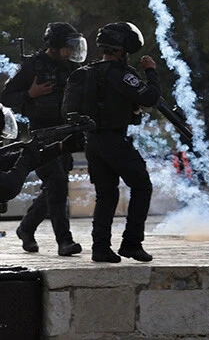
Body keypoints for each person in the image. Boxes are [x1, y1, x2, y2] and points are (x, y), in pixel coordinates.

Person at [62, 22, 160, 263]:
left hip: (92, 142)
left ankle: (101, 248)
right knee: (142, 186)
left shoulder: (89, 72)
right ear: (122, 48)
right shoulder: (120, 73)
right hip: (113, 140)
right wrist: (151, 71)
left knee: (106, 195)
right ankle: (132, 244)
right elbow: (150, 97)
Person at [1, 22, 88, 256]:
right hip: (41, 133)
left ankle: (26, 228)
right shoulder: (32, 66)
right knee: (57, 183)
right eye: (67, 47)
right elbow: (6, 97)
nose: (71, 52)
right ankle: (64, 242)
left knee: (54, 186)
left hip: (65, 131)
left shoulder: (69, 67)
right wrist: (30, 94)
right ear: (56, 46)